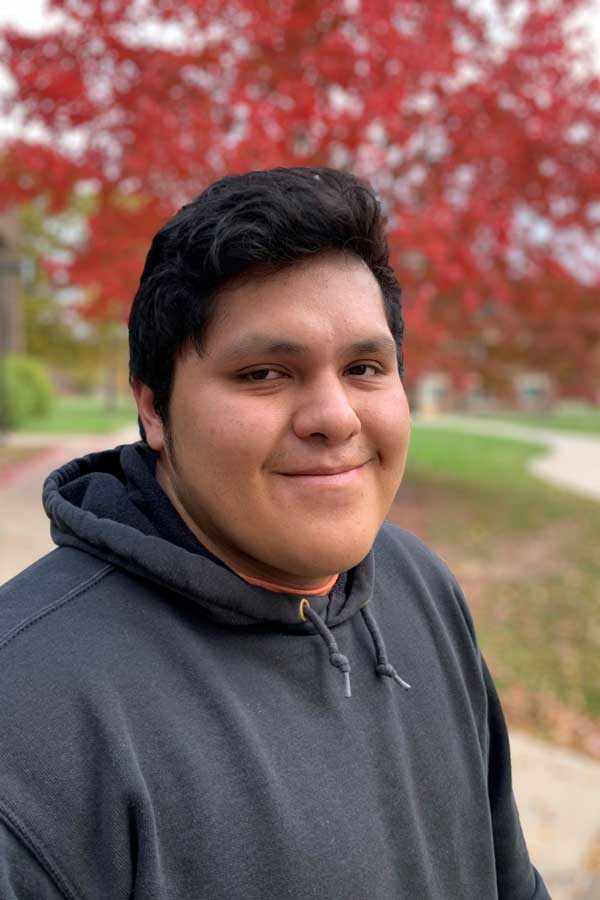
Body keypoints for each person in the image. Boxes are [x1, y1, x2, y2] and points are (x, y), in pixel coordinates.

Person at [0, 167, 550, 900]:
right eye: (264, 373)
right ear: (154, 408)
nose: (335, 416)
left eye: (364, 367)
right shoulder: (29, 713)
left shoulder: (420, 586)